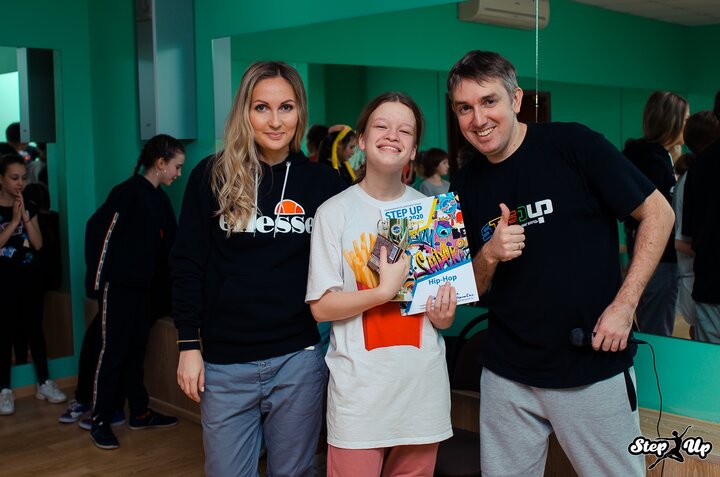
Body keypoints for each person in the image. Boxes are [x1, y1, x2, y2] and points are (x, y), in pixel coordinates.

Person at [447, 50, 674, 476]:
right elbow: (469, 290)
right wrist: (489, 254)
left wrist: (625, 305)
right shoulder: (464, 184)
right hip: (507, 375)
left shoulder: (573, 145)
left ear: (516, 99)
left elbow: (659, 214)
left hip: (590, 364)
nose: (478, 119)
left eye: (489, 101)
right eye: (464, 108)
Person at [172, 61, 346, 477]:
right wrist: (187, 345)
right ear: (244, 112)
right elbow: (187, 263)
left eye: (286, 107)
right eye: (261, 107)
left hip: (298, 360)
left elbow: (356, 257)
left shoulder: (325, 183)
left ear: (300, 111)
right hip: (225, 363)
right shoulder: (211, 175)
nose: (274, 121)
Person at [307, 92, 455, 476]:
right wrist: (382, 292)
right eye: (381, 126)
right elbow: (321, 307)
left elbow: (440, 319)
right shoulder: (333, 212)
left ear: (414, 149)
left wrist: (444, 314)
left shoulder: (432, 212)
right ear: (361, 138)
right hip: (359, 398)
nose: (392, 135)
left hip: (422, 394)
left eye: (404, 130)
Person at [86, 134, 184, 450]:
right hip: (118, 287)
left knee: (136, 350)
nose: (178, 173)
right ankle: (99, 420)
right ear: (160, 163)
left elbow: (170, 247)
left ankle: (139, 412)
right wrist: (97, 284)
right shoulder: (127, 192)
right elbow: (101, 234)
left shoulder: (160, 200)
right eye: (177, 167)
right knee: (112, 352)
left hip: (144, 290)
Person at [0, 154, 67, 416]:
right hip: (4, 280)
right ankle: (4, 389)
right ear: (1, 179)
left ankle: (44, 382)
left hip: (30, 277)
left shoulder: (30, 203)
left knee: (35, 329)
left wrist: (25, 218)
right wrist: (13, 222)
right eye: (14, 178)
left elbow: (38, 244)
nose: (20, 183)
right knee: (5, 331)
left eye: (23, 178)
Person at [623, 91, 688, 336]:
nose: (688, 125)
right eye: (685, 119)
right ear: (671, 120)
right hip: (659, 259)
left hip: (646, 256)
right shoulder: (652, 159)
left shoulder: (648, 155)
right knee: (657, 333)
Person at [672, 111, 720, 338]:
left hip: (706, 281)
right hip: (702, 280)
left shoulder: (697, 172)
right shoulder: (694, 175)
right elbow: (682, 240)